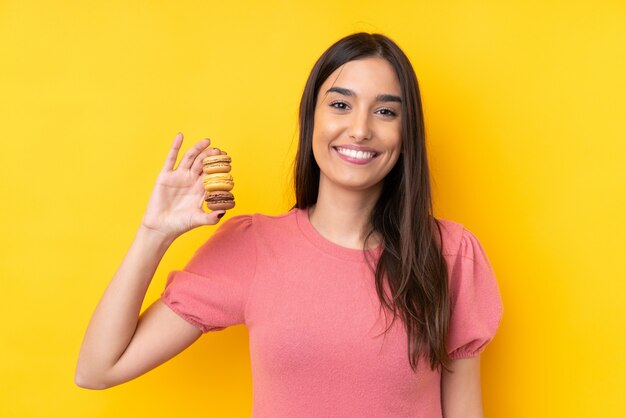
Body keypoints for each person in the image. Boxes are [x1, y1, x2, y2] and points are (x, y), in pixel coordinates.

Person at [75, 32, 503, 417]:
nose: (359, 129)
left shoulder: (450, 254)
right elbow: (98, 368)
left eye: (385, 112)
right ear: (310, 119)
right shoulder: (253, 246)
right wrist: (154, 235)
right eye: (340, 105)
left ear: (407, 133)